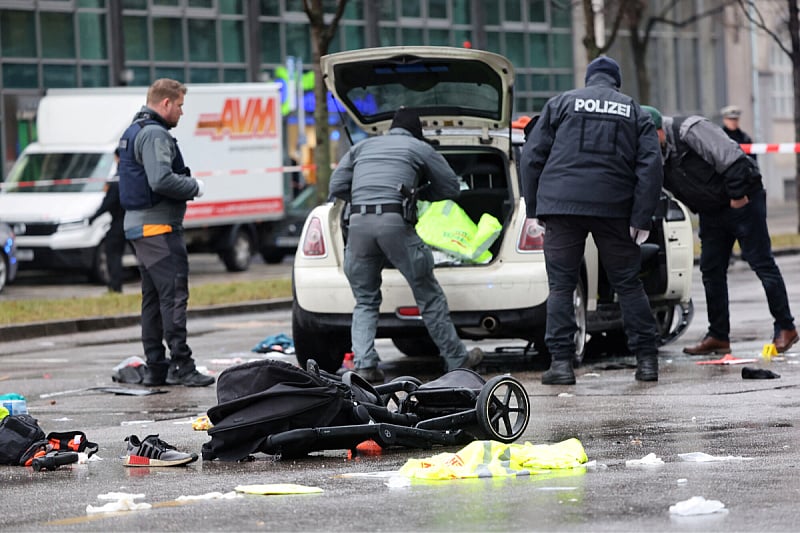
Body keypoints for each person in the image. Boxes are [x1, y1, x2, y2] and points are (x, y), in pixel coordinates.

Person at [520, 56, 663, 384]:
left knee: (561, 285)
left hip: (561, 206)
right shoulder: (633, 110)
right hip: (614, 207)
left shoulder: (561, 103)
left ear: (589, 79)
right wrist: (641, 217)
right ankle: (646, 361)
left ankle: (560, 364)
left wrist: (535, 209)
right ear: (616, 82)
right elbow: (650, 167)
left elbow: (532, 157)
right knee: (628, 283)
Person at [329, 107, 484, 383]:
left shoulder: (362, 147)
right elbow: (451, 187)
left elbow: (337, 185)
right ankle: (457, 360)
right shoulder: (418, 147)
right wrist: (420, 193)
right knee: (428, 296)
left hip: (359, 226)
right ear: (418, 131)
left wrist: (363, 196)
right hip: (395, 224)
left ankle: (364, 365)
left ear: (390, 128)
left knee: (364, 300)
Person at [641, 105, 798, 355]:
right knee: (711, 270)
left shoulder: (689, 130)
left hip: (743, 199)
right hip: (711, 209)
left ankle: (786, 328)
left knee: (761, 262)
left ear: (659, 130)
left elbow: (732, 159)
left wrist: (737, 198)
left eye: (650, 140)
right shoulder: (650, 149)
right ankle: (718, 335)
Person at [117, 78, 214, 387]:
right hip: (158, 229)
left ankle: (156, 367)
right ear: (166, 103)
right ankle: (183, 366)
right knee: (172, 296)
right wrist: (194, 186)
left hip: (139, 228)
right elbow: (160, 180)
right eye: (180, 106)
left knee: (153, 299)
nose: (182, 113)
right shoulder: (155, 134)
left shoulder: (135, 131)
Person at [88, 148, 126, 293]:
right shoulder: (133, 175)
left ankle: (115, 287)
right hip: (135, 221)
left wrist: (93, 217)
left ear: (117, 158)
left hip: (118, 223)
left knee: (113, 254)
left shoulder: (116, 179)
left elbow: (108, 203)